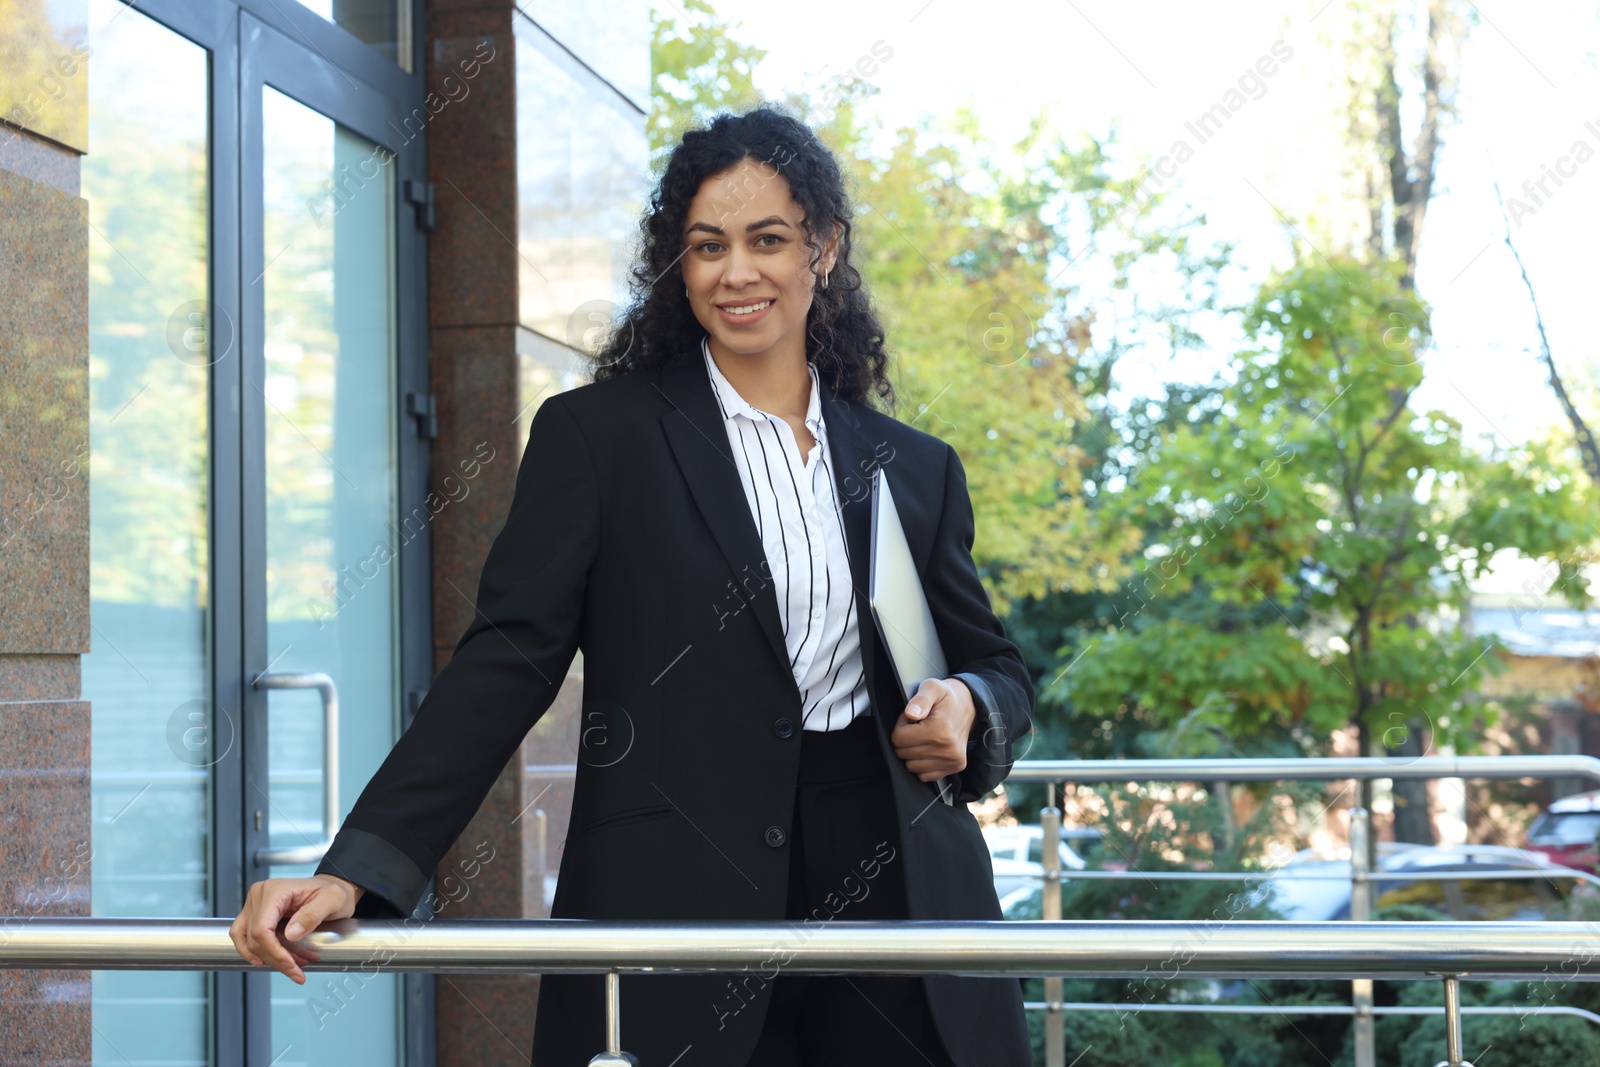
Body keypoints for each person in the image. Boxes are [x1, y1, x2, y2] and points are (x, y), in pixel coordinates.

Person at [231, 105, 1035, 1067]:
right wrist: (358, 865)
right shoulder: (599, 439)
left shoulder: (915, 465)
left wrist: (970, 706)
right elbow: (505, 662)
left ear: (823, 248)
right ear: (679, 266)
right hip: (681, 900)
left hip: (901, 903)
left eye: (768, 239)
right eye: (707, 246)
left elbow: (996, 665)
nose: (737, 272)